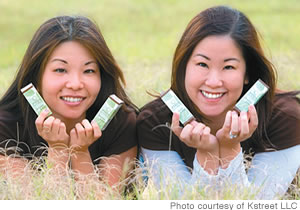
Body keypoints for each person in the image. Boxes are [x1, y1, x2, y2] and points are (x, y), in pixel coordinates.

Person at [137, 6, 300, 199]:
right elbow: (184, 203)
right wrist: (207, 154)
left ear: (247, 73)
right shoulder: (155, 122)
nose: (214, 81)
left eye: (229, 67)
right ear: (184, 67)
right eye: (202, 64)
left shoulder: (286, 118)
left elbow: (255, 203)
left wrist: (230, 149)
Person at [0, 15, 137, 194]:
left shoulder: (122, 123)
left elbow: (107, 202)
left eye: (89, 70)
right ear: (36, 75)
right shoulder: (7, 126)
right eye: (60, 70)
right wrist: (57, 150)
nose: (75, 84)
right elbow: (37, 201)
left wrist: (80, 153)